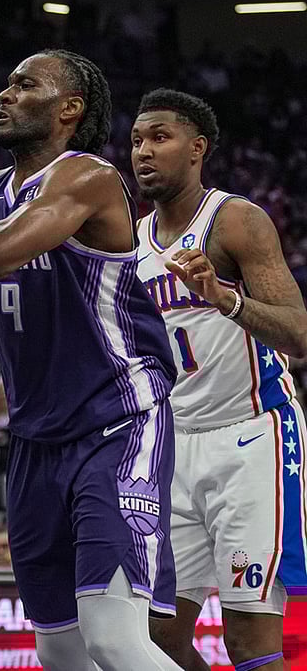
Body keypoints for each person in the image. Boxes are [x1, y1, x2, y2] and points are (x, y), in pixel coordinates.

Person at [0, 50, 180, 669]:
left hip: (117, 420)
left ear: (68, 109)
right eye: (6, 81)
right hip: (35, 437)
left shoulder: (89, 176)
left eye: (25, 85)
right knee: (58, 651)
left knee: (114, 639)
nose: (4, 93)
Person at [132, 89, 307, 671]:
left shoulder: (235, 221)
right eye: (136, 141)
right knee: (157, 640)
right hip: (173, 447)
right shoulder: (130, 244)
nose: (144, 152)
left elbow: (298, 335)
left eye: (160, 138)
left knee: (249, 643)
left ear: (196, 148)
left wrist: (226, 299)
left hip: (251, 436)